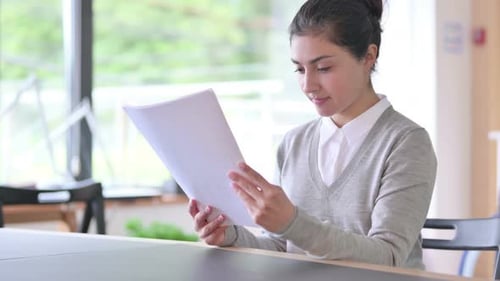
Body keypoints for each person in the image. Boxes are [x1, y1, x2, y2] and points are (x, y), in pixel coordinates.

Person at [189, 0, 437, 269]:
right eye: (299, 68)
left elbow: (388, 256)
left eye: (324, 68)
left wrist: (292, 222)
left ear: (368, 57)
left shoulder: (406, 143)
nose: (308, 85)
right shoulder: (294, 143)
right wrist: (232, 236)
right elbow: (283, 246)